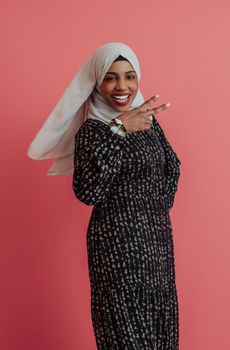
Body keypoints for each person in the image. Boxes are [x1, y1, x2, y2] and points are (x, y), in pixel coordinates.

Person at [27, 42, 181, 349]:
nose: (121, 86)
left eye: (129, 76)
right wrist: (119, 129)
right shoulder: (94, 132)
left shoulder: (148, 122)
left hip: (157, 248)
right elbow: (89, 191)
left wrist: (148, 213)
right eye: (111, 77)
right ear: (97, 80)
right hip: (117, 250)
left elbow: (172, 167)